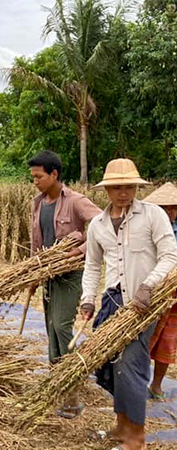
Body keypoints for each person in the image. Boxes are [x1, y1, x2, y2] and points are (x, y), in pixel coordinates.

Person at [80, 159, 177, 450]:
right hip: (113, 302)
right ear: (107, 190)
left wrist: (148, 286)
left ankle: (136, 438)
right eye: (117, 187)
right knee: (113, 366)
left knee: (132, 367)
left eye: (129, 187)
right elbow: (92, 266)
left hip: (144, 304)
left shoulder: (152, 216)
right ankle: (122, 427)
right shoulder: (97, 225)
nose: (123, 192)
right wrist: (87, 300)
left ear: (137, 187)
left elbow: (170, 256)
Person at [28, 150, 101, 418]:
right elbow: (37, 242)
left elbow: (100, 223)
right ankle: (57, 385)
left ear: (54, 174)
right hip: (47, 275)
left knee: (61, 327)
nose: (35, 181)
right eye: (33, 177)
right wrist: (32, 273)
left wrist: (80, 249)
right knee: (51, 329)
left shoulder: (75, 201)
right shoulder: (37, 203)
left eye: (39, 176)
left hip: (70, 276)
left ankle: (72, 392)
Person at [142, 183, 177, 401]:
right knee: (143, 338)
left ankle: (156, 385)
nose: (170, 212)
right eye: (164, 208)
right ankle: (136, 383)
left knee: (168, 340)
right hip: (151, 291)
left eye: (173, 207)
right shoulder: (148, 228)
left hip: (174, 294)